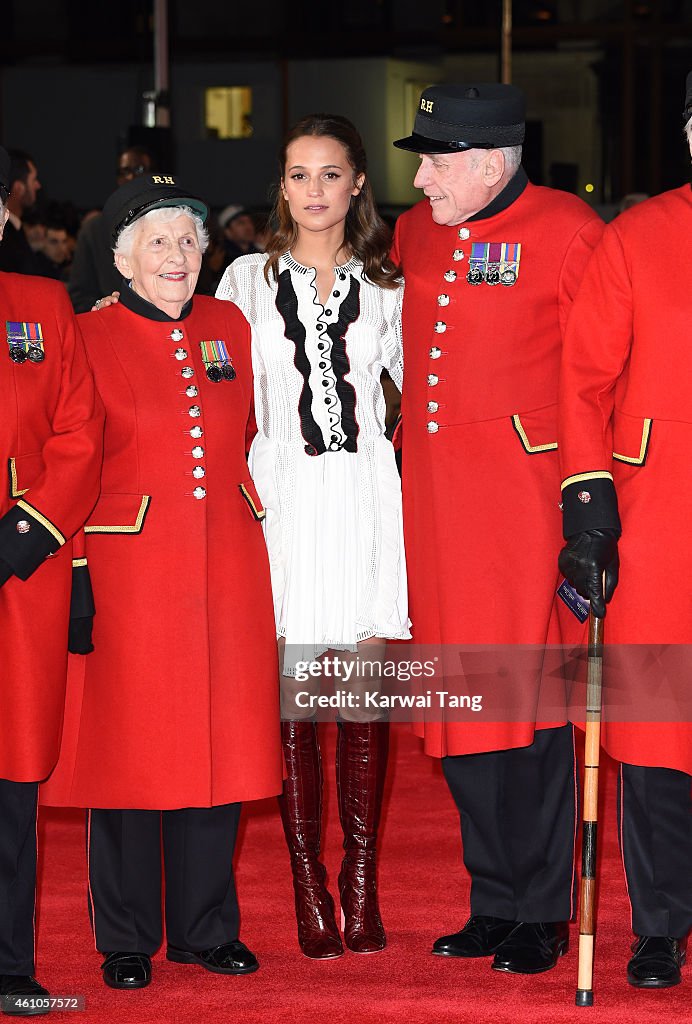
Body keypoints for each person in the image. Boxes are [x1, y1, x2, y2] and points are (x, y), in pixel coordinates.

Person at [41, 174, 283, 990]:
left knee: (216, 747)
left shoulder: (228, 324)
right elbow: (63, 460)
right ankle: (127, 936)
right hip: (127, 571)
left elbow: (250, 431)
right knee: (127, 757)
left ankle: (207, 929)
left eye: (188, 241)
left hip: (226, 567)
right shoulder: (83, 335)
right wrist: (73, 571)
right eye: (158, 242)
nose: (178, 257)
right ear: (120, 257)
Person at [391, 84, 604, 974]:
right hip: (436, 509)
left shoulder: (571, 231)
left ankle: (541, 911)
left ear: (487, 162)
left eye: (436, 159)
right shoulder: (413, 230)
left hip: (523, 505)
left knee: (535, 714)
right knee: (459, 709)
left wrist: (587, 508)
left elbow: (600, 371)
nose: (422, 175)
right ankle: (492, 900)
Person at [215, 114, 409, 959]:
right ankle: (309, 890)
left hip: (366, 494)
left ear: (359, 182)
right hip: (284, 497)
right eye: (299, 175)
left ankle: (361, 886)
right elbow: (195, 361)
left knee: (361, 694)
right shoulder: (243, 282)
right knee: (297, 698)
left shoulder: (393, 282)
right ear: (281, 186)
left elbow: (422, 387)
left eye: (332, 175)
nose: (316, 191)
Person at [557, 70, 692, 990]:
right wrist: (590, 505)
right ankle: (664, 923)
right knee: (657, 729)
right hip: (662, 519)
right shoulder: (637, 237)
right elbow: (583, 378)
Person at [0, 144, 103, 1015]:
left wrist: (25, 531)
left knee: (8, 782)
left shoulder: (38, 307)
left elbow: (79, 436)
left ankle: (7, 962)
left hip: (15, 574)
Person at [68, 146, 156, 312]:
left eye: (138, 169)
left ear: (151, 175)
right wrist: (105, 307)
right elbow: (78, 295)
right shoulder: (94, 229)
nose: (131, 177)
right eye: (124, 171)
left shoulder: (170, 225)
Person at [0, 149, 42, 275]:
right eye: (33, 180)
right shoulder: (8, 240)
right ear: (19, 188)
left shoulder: (17, 231)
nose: (38, 185)